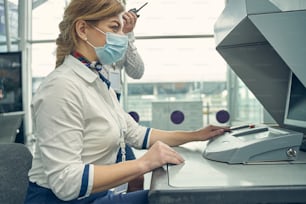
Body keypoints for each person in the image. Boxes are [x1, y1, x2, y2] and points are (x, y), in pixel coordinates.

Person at [24, 0, 229, 203]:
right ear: (83, 29)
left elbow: (136, 133)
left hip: (93, 197)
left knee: (185, 197)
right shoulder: (61, 88)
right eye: (115, 28)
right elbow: (66, 183)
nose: (122, 37)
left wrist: (195, 135)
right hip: (62, 200)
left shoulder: (96, 81)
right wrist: (144, 163)